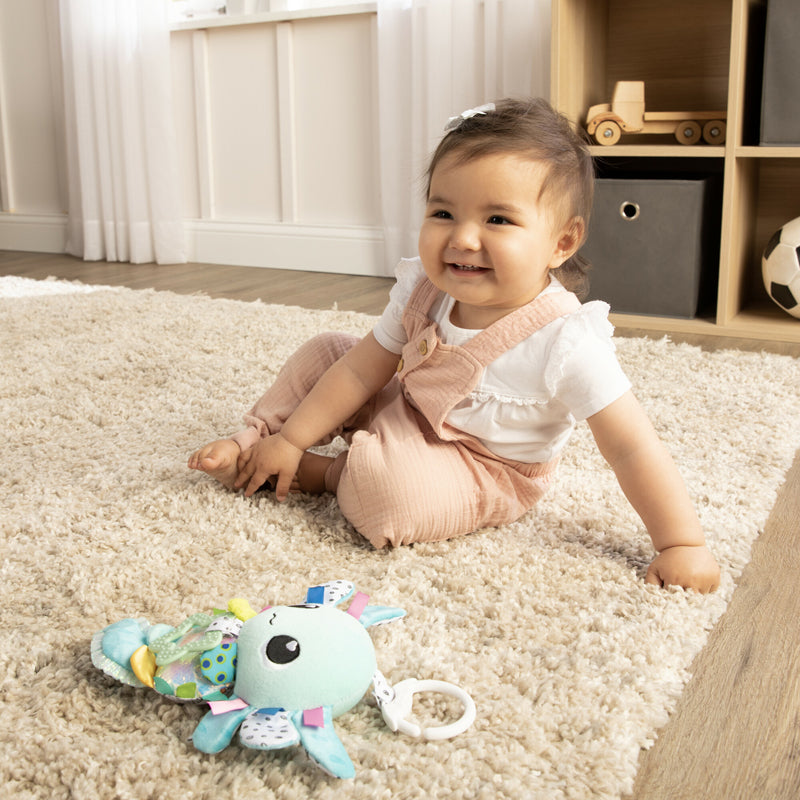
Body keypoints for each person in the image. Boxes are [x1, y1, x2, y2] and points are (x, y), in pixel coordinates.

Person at [188, 98, 720, 594]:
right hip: (407, 405)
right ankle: (258, 441)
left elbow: (632, 448)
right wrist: (291, 437)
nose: (463, 239)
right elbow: (359, 373)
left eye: (497, 220)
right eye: (443, 213)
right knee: (328, 351)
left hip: (482, 469)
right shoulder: (423, 288)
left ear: (561, 242)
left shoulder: (566, 341)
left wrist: (682, 543)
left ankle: (327, 474)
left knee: (390, 498)